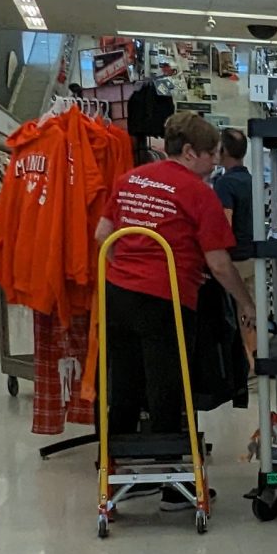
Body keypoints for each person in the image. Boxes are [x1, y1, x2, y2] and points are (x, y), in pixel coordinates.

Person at [95, 112, 257, 485]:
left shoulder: (129, 179)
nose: (215, 162)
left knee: (123, 381)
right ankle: (170, 481)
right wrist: (245, 302)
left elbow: (103, 235)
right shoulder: (198, 193)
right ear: (188, 152)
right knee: (167, 385)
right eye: (211, 154)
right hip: (166, 297)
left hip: (117, 295)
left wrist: (128, 269)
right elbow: (218, 264)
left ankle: (112, 470)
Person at [212, 127, 254, 259]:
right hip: (251, 254)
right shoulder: (251, 180)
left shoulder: (225, 183)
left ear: (223, 150)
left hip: (234, 258)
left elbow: (224, 226)